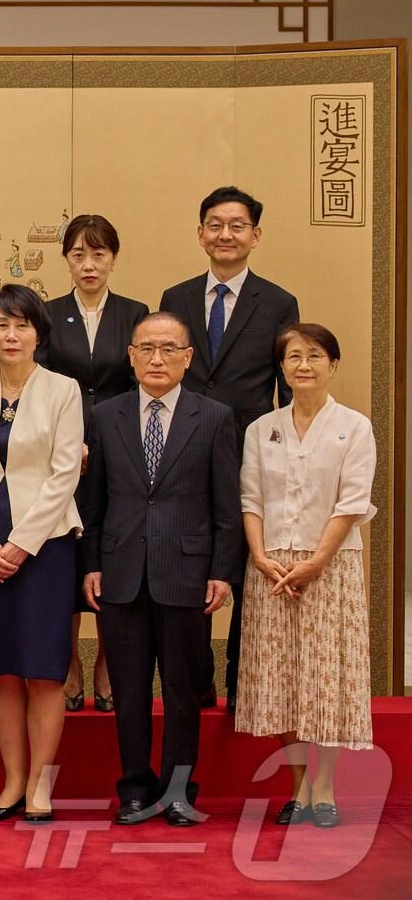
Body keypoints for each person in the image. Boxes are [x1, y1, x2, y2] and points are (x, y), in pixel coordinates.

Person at [81, 313, 241, 827]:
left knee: (182, 693)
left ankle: (177, 793)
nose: (157, 358)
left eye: (169, 349)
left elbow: (226, 505)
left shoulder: (214, 417)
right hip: (121, 572)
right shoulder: (104, 416)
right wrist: (91, 564)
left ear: (188, 357)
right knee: (128, 692)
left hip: (187, 574)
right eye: (146, 348)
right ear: (130, 356)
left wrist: (222, 570)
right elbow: (92, 502)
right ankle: (134, 789)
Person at [159, 186, 299, 711]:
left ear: (255, 236)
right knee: (188, 570)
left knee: (244, 574)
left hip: (250, 457)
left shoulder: (279, 302)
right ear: (200, 234)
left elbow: (286, 387)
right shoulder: (175, 298)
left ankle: (244, 683)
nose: (226, 234)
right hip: (183, 454)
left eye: (237, 226)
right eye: (215, 225)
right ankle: (196, 682)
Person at [236, 323, 375, 829]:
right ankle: (297, 788)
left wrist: (316, 562)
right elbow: (251, 499)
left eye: (315, 355)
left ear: (332, 365)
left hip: (330, 567)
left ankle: (325, 788)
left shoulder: (354, 427)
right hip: (272, 567)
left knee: (324, 677)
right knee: (283, 678)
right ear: (282, 367)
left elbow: (353, 502)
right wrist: (258, 555)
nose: (304, 365)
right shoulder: (261, 429)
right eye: (293, 356)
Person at [0, 284, 83, 823]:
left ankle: (41, 786)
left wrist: (20, 544)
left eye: (22, 325)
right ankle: (12, 781)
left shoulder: (63, 390)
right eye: (1, 325)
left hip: (47, 543)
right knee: (4, 670)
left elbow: (65, 473)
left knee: (43, 670)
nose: (11, 335)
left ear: (39, 333)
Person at [36, 215, 149, 714]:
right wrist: (67, 442)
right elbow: (39, 383)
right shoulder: (48, 313)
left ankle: (107, 663)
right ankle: (69, 665)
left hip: (120, 447)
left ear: (113, 259)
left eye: (99, 254)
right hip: (60, 454)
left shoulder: (135, 312)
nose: (89, 264)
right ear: (66, 259)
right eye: (78, 254)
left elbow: (142, 381)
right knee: (65, 557)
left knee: (111, 554)